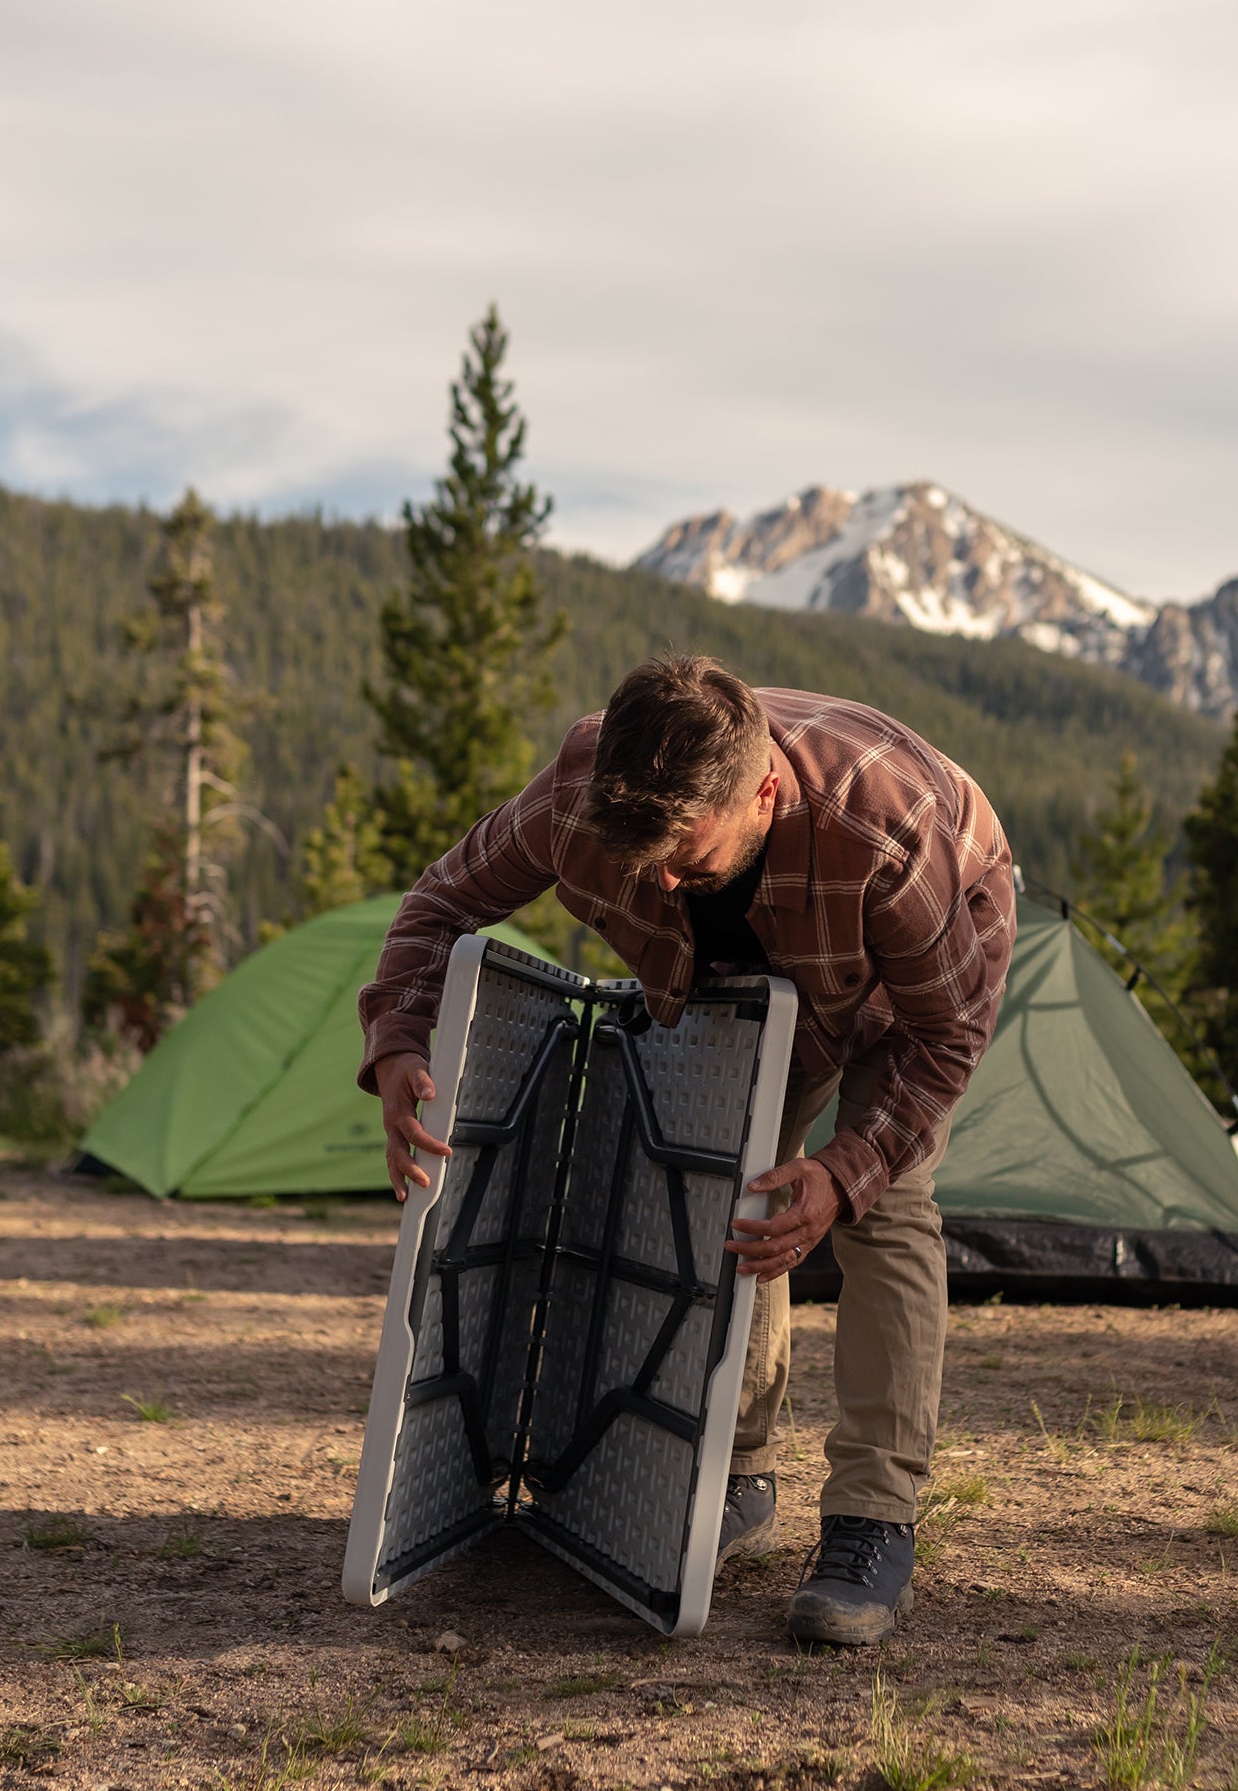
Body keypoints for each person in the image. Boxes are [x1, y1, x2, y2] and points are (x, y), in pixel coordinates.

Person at [358, 655, 1014, 1645]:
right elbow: (439, 905)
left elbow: (948, 1036)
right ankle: (736, 1475)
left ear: (764, 793)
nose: (657, 883)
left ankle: (872, 1524)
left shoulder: (886, 832)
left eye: (685, 859)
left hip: (908, 973)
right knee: (736, 1190)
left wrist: (845, 1174)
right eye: (638, 862)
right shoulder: (580, 801)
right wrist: (405, 1039)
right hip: (752, 976)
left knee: (886, 1209)